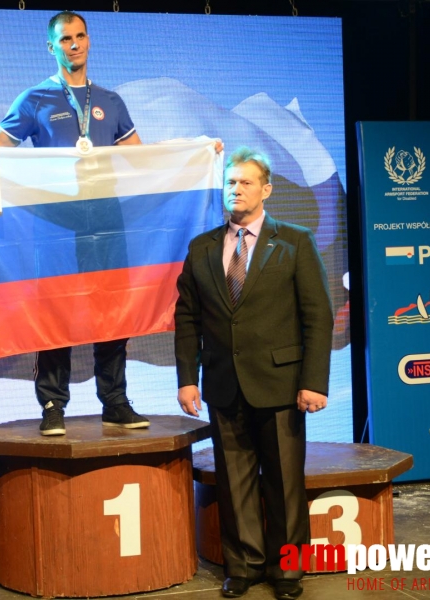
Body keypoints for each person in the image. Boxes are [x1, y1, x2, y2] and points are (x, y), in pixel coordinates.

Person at [0, 10, 149, 437]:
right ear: (51, 47)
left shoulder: (110, 101)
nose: (74, 44)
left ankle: (115, 402)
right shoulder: (35, 99)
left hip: (106, 220)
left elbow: (143, 156)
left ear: (89, 41)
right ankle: (53, 403)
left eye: (80, 36)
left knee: (112, 309)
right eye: (65, 38)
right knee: (56, 310)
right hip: (55, 223)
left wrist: (198, 151)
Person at [174, 147, 333, 600]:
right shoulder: (202, 247)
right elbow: (187, 318)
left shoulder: (295, 242)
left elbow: (317, 317)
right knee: (234, 480)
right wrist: (188, 378)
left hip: (282, 385)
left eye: (245, 182)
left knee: (284, 482)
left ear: (266, 189)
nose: (236, 189)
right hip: (224, 384)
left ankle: (289, 571)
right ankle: (242, 567)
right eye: (230, 182)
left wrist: (314, 382)